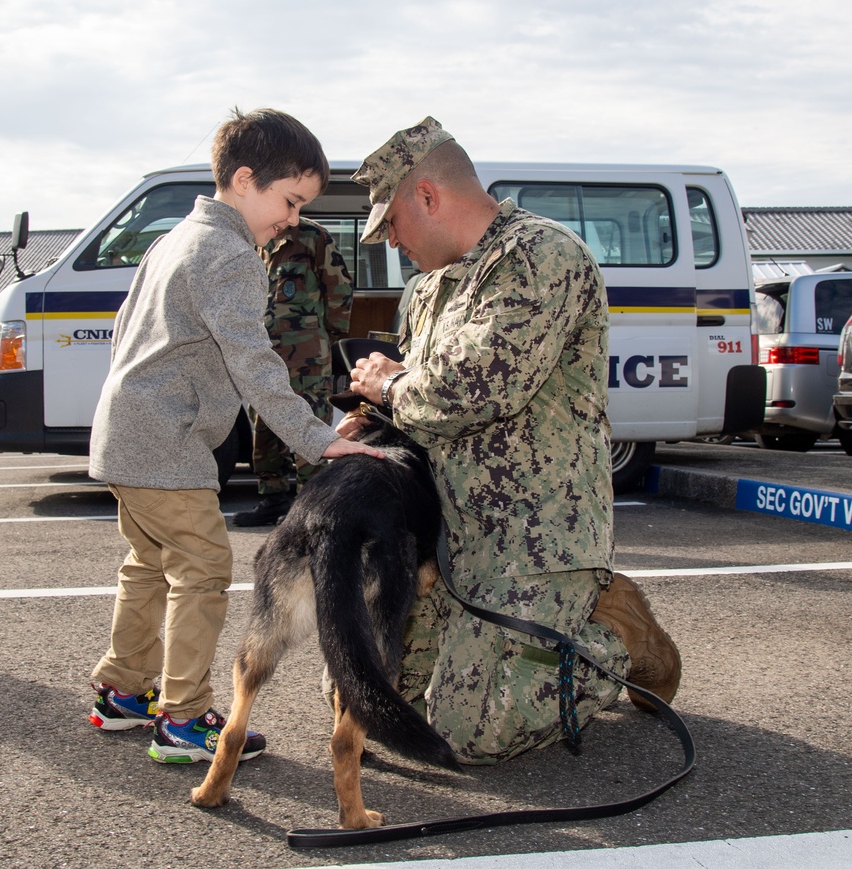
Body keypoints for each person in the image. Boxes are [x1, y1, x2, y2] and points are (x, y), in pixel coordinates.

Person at [340, 117, 681, 763]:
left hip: (534, 536)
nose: (391, 241)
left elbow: (472, 389)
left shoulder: (540, 256)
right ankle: (563, 623)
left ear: (429, 197)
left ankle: (621, 639)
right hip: (453, 532)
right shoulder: (427, 290)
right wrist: (370, 417)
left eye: (391, 223)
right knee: (390, 705)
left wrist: (390, 386)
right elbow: (422, 400)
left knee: (473, 734)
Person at [86, 107, 385, 765]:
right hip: (165, 443)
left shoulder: (176, 238)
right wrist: (319, 438)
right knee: (203, 566)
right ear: (245, 179)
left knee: (147, 564)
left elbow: (124, 330)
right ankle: (185, 717)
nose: (294, 218)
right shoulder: (231, 254)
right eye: (290, 200)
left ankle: (122, 689)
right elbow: (258, 362)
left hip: (123, 434)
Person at [233, 217, 354, 526]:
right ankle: (273, 498)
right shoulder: (260, 238)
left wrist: (327, 338)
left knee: (309, 423)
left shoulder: (313, 237)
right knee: (264, 424)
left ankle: (310, 507)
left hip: (306, 355)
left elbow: (339, 288)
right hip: (266, 352)